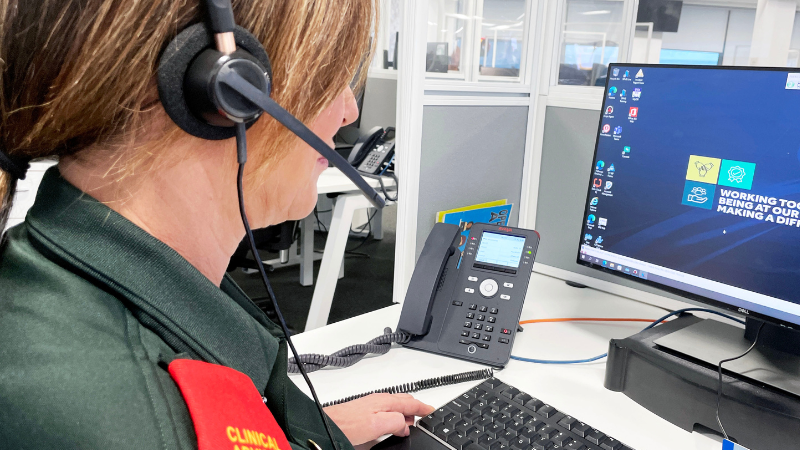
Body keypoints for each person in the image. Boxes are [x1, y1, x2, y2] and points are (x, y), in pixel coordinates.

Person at [0, 1, 433, 449]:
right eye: (329, 75)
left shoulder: (77, 278)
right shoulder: (120, 422)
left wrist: (303, 436)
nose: (348, 112)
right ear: (226, 88)